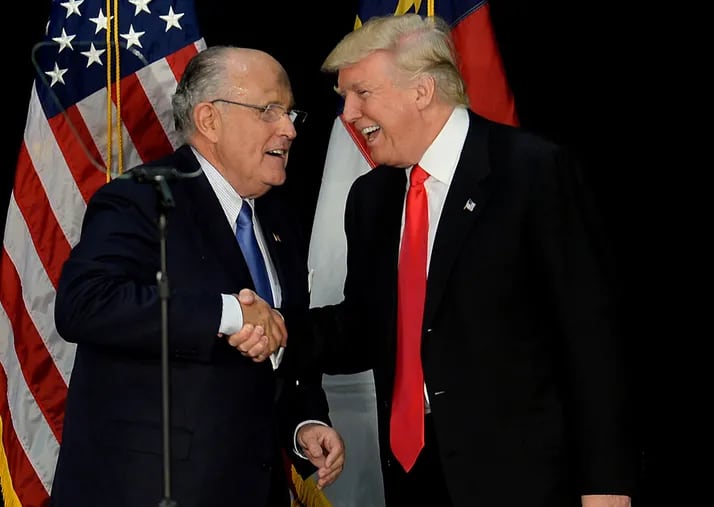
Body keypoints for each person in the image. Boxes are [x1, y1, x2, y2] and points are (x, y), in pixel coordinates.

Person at [306, 13, 638, 507]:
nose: (348, 113)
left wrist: (607, 482)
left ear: (422, 91)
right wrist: (273, 329)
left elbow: (592, 338)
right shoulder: (370, 197)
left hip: (525, 479)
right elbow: (365, 329)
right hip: (414, 477)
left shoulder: (532, 171)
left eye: (361, 93)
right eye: (344, 97)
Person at [50, 46, 344, 507]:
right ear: (210, 119)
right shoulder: (141, 199)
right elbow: (84, 304)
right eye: (269, 110)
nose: (289, 129)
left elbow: (277, 340)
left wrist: (303, 422)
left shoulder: (278, 218)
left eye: (289, 113)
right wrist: (228, 313)